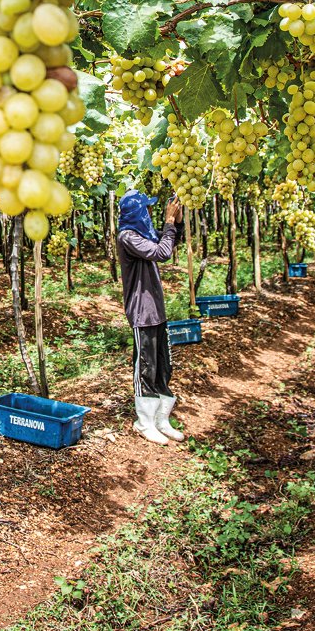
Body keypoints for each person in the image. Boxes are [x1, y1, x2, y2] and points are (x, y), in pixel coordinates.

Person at [117, 190, 185, 445]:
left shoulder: (143, 235)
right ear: (136, 212)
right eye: (145, 209)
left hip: (156, 310)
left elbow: (169, 242)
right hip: (142, 313)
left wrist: (177, 223)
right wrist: (168, 224)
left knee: (162, 367)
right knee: (145, 367)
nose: (149, 213)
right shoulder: (128, 237)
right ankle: (144, 422)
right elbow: (162, 252)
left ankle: (161, 419)